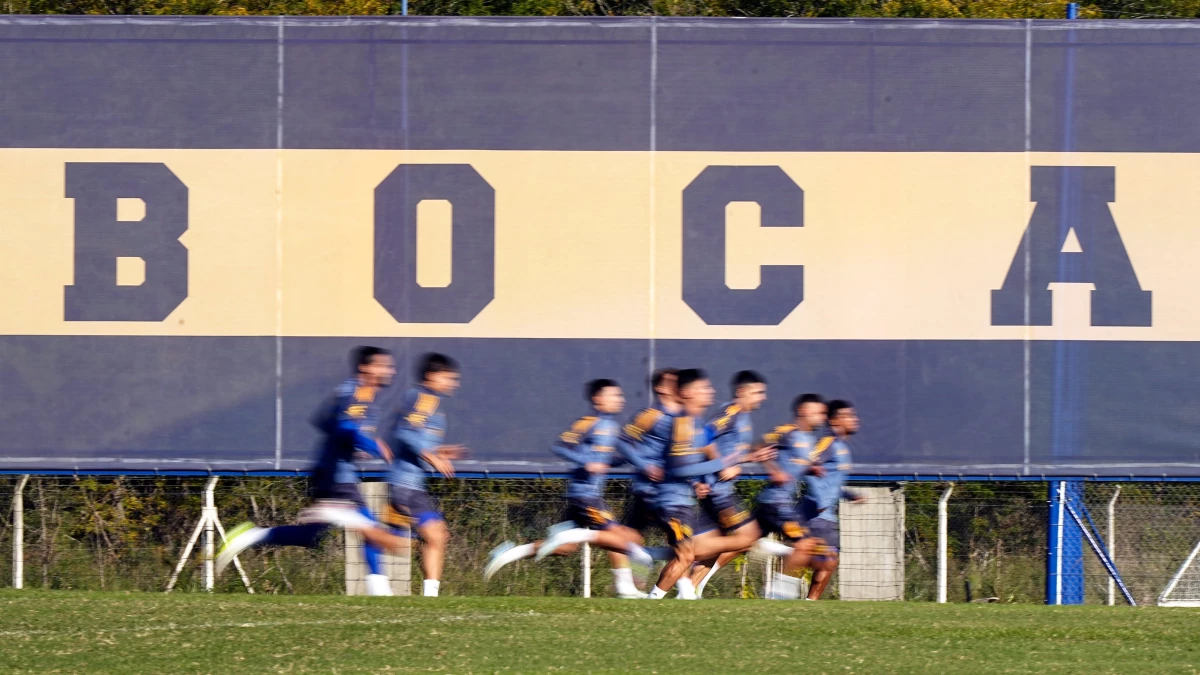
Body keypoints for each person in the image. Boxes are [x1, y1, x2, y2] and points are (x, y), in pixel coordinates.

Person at [216, 347, 410, 594]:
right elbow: (345, 428)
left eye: (390, 366)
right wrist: (371, 444)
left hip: (334, 473)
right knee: (371, 530)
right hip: (335, 477)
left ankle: (249, 536)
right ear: (366, 368)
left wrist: (355, 445)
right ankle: (380, 592)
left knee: (309, 536)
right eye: (383, 365)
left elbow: (325, 421)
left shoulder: (360, 397)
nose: (389, 370)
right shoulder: (356, 394)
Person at [483, 379, 655, 586]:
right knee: (618, 536)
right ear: (597, 398)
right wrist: (587, 462)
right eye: (614, 395)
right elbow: (561, 446)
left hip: (588, 496)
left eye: (620, 396)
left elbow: (608, 460)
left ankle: (508, 553)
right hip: (584, 495)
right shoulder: (588, 422)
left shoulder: (613, 427)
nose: (620, 399)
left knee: (565, 548)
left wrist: (632, 459)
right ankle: (627, 588)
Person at [382, 352, 468, 598]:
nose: (454, 383)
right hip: (405, 485)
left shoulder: (431, 405)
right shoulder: (422, 398)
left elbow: (414, 440)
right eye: (449, 378)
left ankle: (430, 597)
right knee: (433, 536)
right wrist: (434, 457)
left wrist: (442, 451)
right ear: (431, 376)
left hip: (412, 486)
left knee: (434, 537)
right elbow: (405, 434)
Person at [688, 370, 771, 597]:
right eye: (757, 392)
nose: (762, 397)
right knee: (748, 536)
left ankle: (691, 584)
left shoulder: (743, 417)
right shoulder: (731, 411)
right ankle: (684, 565)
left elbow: (728, 454)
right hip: (718, 491)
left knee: (720, 544)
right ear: (741, 392)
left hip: (719, 489)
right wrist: (720, 466)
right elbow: (703, 437)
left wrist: (750, 458)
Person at [755, 394, 834, 594]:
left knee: (739, 543)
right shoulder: (787, 432)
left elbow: (795, 464)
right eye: (818, 412)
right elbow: (757, 446)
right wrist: (773, 469)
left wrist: (811, 469)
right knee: (807, 544)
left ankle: (769, 548)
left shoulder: (809, 440)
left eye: (823, 413)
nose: (822, 417)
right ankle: (777, 594)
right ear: (803, 412)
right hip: (775, 503)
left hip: (782, 503)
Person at [802, 399, 862, 601]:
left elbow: (831, 482)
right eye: (849, 415)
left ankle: (810, 602)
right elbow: (807, 466)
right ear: (835, 421)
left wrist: (848, 495)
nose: (855, 419)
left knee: (830, 560)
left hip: (825, 516)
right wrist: (819, 500)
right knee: (828, 559)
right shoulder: (828, 443)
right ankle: (787, 555)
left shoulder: (842, 447)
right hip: (815, 514)